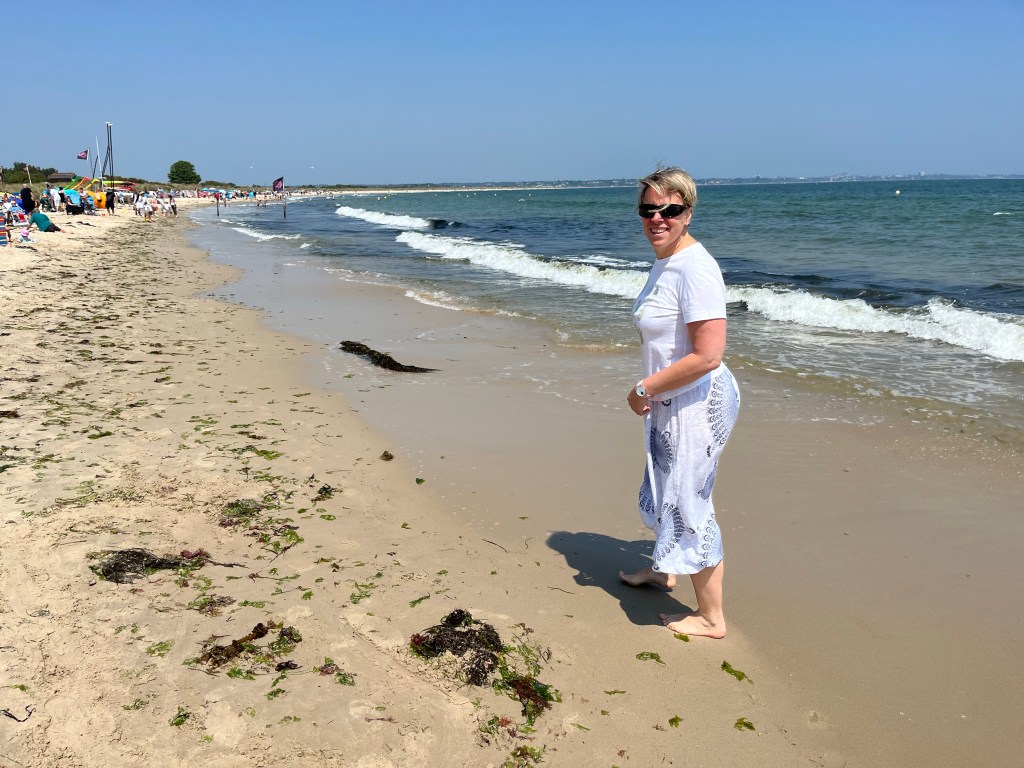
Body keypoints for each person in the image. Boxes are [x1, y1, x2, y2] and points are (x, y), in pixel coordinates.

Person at [619, 166, 740, 639]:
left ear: (688, 213)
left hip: (695, 402)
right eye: (648, 209)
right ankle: (664, 569)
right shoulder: (665, 261)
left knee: (689, 501)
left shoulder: (695, 267)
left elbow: (708, 355)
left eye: (670, 210)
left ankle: (711, 617)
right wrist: (653, 389)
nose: (657, 218)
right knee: (662, 486)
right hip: (669, 397)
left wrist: (644, 388)